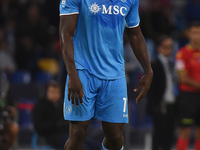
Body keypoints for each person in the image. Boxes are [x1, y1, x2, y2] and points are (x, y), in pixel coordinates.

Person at [59, 0, 153, 149]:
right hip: (83, 72)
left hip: (115, 75)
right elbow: (65, 34)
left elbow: (135, 34)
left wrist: (148, 70)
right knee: (78, 134)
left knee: (115, 139)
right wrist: (73, 75)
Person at [147, 36, 176, 150]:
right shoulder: (153, 65)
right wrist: (155, 104)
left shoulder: (173, 64)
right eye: (166, 47)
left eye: (171, 47)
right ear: (159, 48)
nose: (169, 50)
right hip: (159, 105)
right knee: (159, 135)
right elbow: (151, 88)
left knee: (170, 135)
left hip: (172, 104)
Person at [175, 21, 200, 150]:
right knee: (185, 130)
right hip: (188, 96)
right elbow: (182, 78)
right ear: (189, 34)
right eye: (194, 33)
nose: (197, 36)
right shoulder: (182, 53)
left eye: (199, 33)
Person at [32, 80, 69, 149]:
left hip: (64, 134)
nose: (55, 95)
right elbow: (39, 127)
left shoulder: (62, 105)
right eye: (52, 92)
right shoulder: (40, 106)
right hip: (49, 137)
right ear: (46, 92)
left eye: (57, 92)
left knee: (87, 142)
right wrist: (56, 125)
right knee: (78, 145)